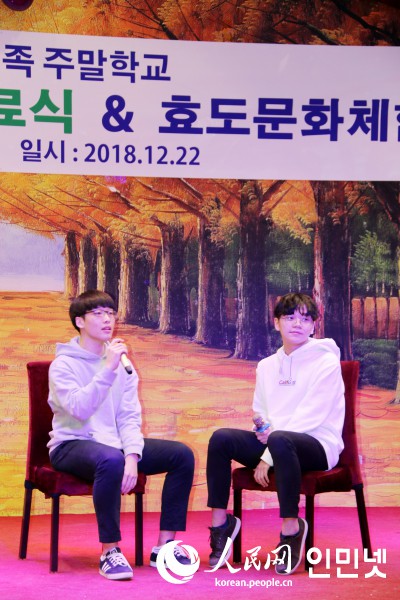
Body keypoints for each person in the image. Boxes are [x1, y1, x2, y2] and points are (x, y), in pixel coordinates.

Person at [48, 289, 194, 580]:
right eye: (98, 313)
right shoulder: (63, 365)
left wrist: (132, 456)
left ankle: (164, 547)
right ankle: (110, 551)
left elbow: (128, 416)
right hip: (72, 444)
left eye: (111, 313)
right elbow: (79, 409)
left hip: (114, 445)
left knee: (181, 455)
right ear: (79, 321)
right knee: (110, 460)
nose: (107, 320)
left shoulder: (124, 366)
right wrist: (108, 368)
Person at [206, 293, 345, 575]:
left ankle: (291, 529)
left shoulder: (326, 362)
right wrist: (262, 428)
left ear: (314, 325)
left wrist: (268, 455)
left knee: (282, 439)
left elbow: (311, 416)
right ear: (276, 322)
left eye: (305, 319)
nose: (297, 324)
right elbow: (261, 409)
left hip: (318, 445)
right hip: (276, 443)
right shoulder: (267, 365)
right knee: (221, 438)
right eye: (290, 317)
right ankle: (222, 526)